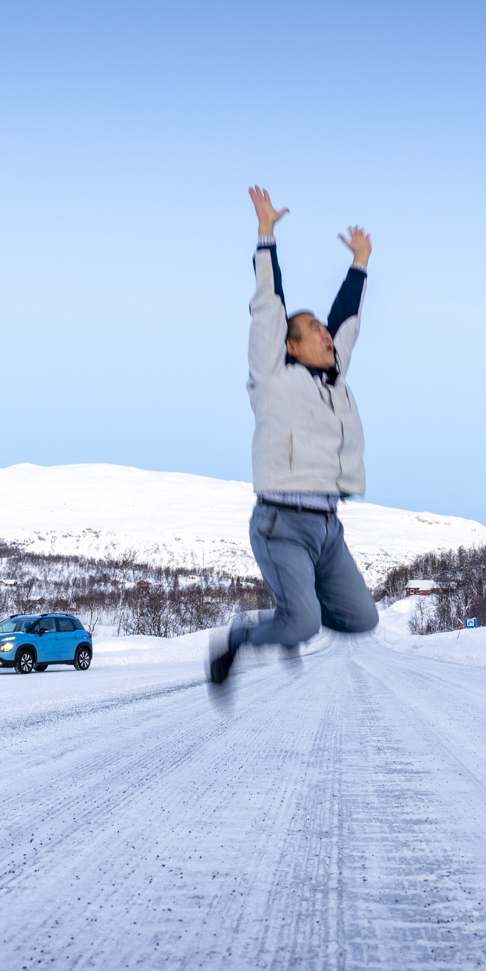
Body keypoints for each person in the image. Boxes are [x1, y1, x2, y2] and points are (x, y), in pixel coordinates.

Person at [208, 186, 380, 683]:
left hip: (328, 528)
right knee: (304, 624)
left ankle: (291, 620)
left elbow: (347, 320)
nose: (328, 337)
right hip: (281, 522)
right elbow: (268, 307)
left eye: (329, 336)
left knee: (363, 619)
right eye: (314, 332)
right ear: (290, 344)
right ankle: (247, 636)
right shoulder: (273, 375)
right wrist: (267, 237)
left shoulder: (335, 380)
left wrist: (360, 263)